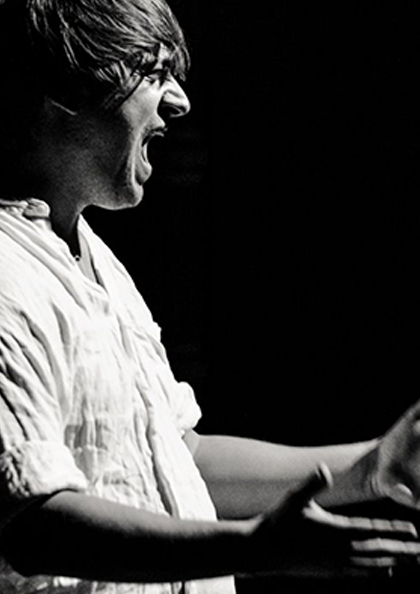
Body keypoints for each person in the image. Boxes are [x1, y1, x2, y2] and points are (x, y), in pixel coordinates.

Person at [1, 1, 420, 593]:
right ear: (65, 86)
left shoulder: (92, 258)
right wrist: (250, 548)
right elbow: (31, 524)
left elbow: (180, 457)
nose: (179, 101)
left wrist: (373, 466)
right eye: (154, 72)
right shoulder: (8, 276)